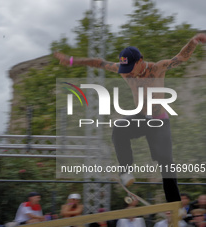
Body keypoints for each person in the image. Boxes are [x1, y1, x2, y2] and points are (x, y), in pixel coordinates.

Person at [54, 33, 206, 203]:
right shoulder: (123, 70)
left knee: (166, 163)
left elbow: (180, 58)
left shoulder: (157, 68)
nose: (128, 73)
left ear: (140, 61)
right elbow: (98, 62)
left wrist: (192, 42)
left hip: (159, 121)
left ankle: (174, 206)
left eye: (131, 68)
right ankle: (125, 170)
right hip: (141, 117)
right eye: (125, 70)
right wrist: (72, 60)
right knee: (119, 128)